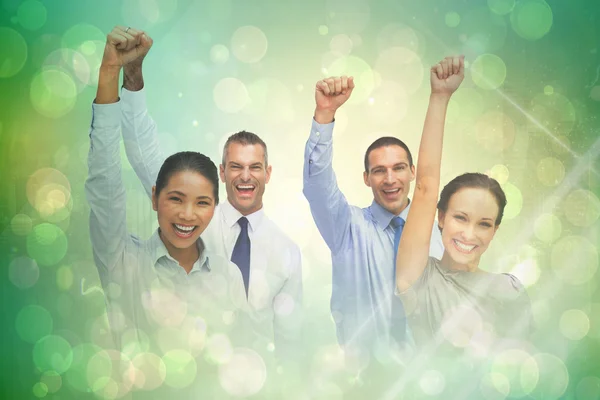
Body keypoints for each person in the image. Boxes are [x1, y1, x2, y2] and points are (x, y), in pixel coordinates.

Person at [116, 27, 303, 372]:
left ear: (268, 173)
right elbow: (145, 155)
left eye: (254, 167)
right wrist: (132, 77)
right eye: (235, 166)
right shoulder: (191, 218)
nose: (245, 176)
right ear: (221, 171)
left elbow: (289, 340)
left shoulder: (287, 250)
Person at [86, 26, 248, 398]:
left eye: (202, 202)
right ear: (155, 196)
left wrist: (134, 77)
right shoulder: (123, 262)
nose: (187, 215)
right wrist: (113, 75)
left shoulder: (228, 275)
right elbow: (105, 182)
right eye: (175, 199)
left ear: (215, 207)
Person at [394, 55, 533, 354]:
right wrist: (440, 97)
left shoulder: (509, 292)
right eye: (460, 218)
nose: (469, 234)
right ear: (440, 217)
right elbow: (425, 186)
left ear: (495, 231)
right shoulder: (418, 278)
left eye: (484, 224)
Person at [303, 74, 445, 366]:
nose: (390, 179)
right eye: (379, 171)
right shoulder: (346, 228)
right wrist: (325, 115)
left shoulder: (441, 230)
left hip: (432, 377)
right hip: (365, 380)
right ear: (366, 178)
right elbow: (317, 185)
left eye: (399, 168)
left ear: (413, 172)